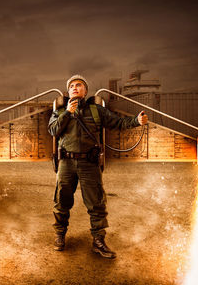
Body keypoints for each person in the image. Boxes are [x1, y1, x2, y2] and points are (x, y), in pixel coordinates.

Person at [48, 74, 148, 258]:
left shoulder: (96, 111)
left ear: (85, 91)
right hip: (67, 164)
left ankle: (98, 241)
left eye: (79, 85)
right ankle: (60, 234)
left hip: (89, 163)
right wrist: (68, 113)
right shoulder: (60, 111)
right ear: (68, 92)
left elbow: (118, 122)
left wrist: (136, 121)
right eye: (72, 86)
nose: (75, 88)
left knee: (96, 204)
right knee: (61, 201)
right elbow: (53, 130)